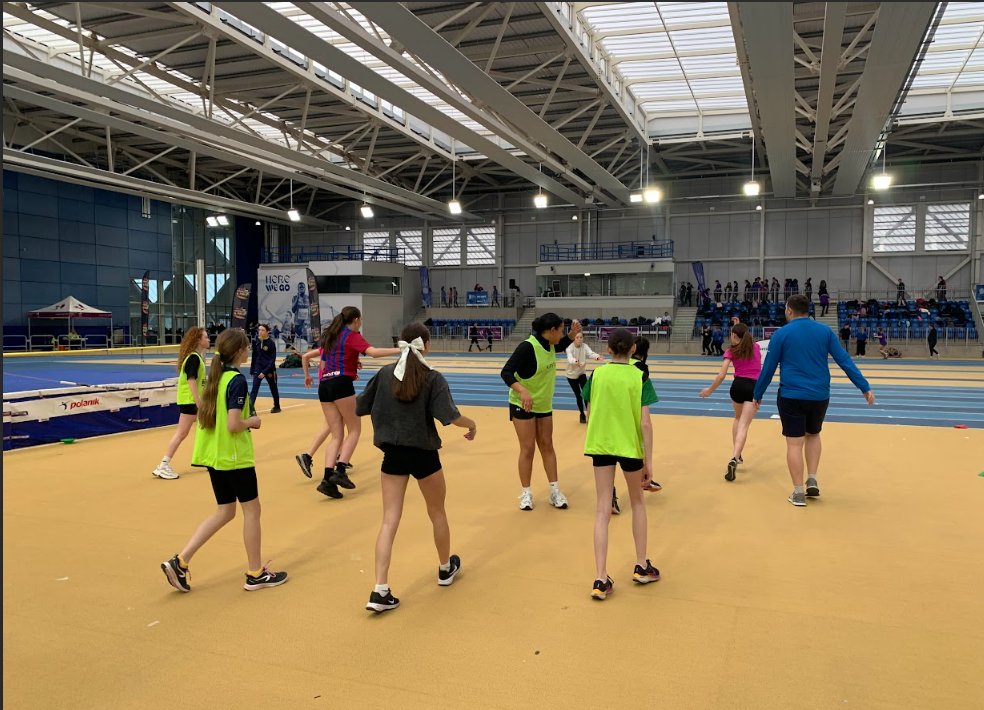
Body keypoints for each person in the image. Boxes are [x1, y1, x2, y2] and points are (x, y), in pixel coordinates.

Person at [356, 323, 477, 613]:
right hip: (424, 454)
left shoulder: (385, 374)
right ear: (427, 344)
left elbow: (360, 407)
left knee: (389, 520)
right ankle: (445, 568)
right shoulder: (432, 378)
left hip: (392, 454)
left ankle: (379, 589)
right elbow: (450, 416)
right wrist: (471, 425)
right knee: (437, 512)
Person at [160, 328, 288, 593]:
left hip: (214, 456)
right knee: (252, 510)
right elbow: (233, 424)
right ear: (241, 351)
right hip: (234, 457)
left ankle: (181, 560)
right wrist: (252, 421)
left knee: (225, 511)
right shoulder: (235, 380)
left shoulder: (215, 378)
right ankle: (255, 573)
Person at [753, 295, 875, 507]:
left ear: (789, 310)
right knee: (813, 435)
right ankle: (812, 478)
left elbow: (769, 368)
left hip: (791, 395)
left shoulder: (781, 334)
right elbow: (844, 360)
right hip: (819, 395)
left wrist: (757, 394)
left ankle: (798, 492)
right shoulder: (825, 331)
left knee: (794, 442)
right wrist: (864, 387)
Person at [581, 329, 661, 600]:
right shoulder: (639, 376)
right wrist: (648, 460)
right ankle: (641, 564)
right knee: (637, 502)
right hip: (629, 446)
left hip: (601, 444)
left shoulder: (597, 374)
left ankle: (600, 578)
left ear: (609, 348)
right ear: (632, 349)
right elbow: (646, 422)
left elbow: (589, 409)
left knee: (602, 509)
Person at [295, 307, 401, 498]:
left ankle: (327, 480)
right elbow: (374, 352)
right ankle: (341, 470)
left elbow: (328, 361)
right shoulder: (352, 335)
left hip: (325, 385)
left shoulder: (332, 337)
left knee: (336, 435)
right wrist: (401, 349)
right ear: (356, 319)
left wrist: (351, 363)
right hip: (341, 384)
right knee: (354, 430)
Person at [500, 313, 581, 511]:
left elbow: (560, 345)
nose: (562, 334)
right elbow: (506, 372)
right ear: (551, 331)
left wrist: (571, 334)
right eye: (561, 330)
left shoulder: (551, 344)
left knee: (547, 445)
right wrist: (523, 391)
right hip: (523, 403)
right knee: (528, 448)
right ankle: (526, 493)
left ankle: (554, 491)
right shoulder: (527, 347)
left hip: (543, 404)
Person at [698, 323, 761, 481]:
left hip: (738, 386)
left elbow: (721, 375)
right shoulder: (756, 348)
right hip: (754, 387)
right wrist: (738, 327)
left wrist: (709, 390)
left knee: (738, 419)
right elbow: (743, 335)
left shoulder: (730, 351)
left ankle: (737, 455)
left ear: (733, 336)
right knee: (744, 425)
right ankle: (735, 457)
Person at [153, 327, 209, 480]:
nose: (208, 339)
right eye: (205, 337)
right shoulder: (193, 358)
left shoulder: (196, 357)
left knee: (206, 427)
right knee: (182, 433)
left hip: (190, 400)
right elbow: (191, 380)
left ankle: (204, 457)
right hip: (190, 401)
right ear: (198, 340)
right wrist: (198, 402)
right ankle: (163, 464)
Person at [565, 331, 604, 424]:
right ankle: (582, 414)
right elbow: (570, 358)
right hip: (571, 376)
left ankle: (589, 414)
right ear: (574, 339)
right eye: (577, 337)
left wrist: (597, 357)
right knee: (578, 396)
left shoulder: (584, 346)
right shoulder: (569, 348)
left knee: (586, 394)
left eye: (581, 337)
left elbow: (590, 353)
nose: (579, 339)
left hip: (581, 373)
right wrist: (576, 361)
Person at [249, 324, 281, 414]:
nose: (260, 332)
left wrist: (264, 372)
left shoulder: (271, 343)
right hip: (258, 367)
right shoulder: (256, 341)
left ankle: (277, 406)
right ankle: (250, 409)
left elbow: (272, 360)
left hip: (269, 369)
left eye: (262, 330)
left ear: (267, 331)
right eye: (259, 330)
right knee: (254, 388)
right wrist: (252, 369)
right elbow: (254, 356)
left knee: (273, 387)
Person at [291, 281, 310, 347]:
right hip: (298, 321)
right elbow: (293, 310)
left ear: (305, 288)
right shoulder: (295, 297)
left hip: (306, 321)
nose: (301, 288)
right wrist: (297, 298)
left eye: (303, 287)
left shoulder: (308, 297)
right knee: (299, 338)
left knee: (305, 338)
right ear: (298, 289)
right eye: (300, 287)